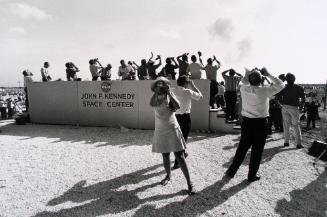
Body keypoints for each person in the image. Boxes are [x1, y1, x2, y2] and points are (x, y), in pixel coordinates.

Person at [226, 68, 284, 182]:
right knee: (257, 151)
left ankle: (231, 171)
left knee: (242, 149)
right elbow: (281, 84)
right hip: (261, 124)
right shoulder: (266, 90)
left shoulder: (243, 88)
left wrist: (250, 73)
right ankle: (251, 175)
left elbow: (244, 81)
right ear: (261, 79)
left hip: (247, 123)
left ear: (249, 80)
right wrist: (267, 74)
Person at [150, 77, 195, 195]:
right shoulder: (154, 97)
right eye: (158, 84)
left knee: (180, 156)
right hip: (160, 129)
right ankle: (168, 176)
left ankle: (190, 183)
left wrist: (169, 92)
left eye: (163, 84)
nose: (160, 86)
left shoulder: (169, 95)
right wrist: (157, 91)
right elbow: (152, 104)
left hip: (171, 128)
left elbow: (178, 106)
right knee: (165, 155)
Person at [171, 76, 203, 169]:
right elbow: (200, 96)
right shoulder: (188, 91)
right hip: (185, 118)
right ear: (186, 83)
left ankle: (183, 153)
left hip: (174, 117)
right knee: (183, 139)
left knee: (178, 139)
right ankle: (177, 162)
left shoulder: (171, 90)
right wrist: (193, 85)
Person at [278, 73, 305, 148]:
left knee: (286, 125)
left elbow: (278, 95)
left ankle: (286, 142)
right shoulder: (298, 87)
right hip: (294, 107)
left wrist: (281, 103)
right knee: (296, 125)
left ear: (286, 80)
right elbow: (303, 99)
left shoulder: (283, 87)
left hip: (285, 106)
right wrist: (301, 107)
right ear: (294, 79)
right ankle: (298, 143)